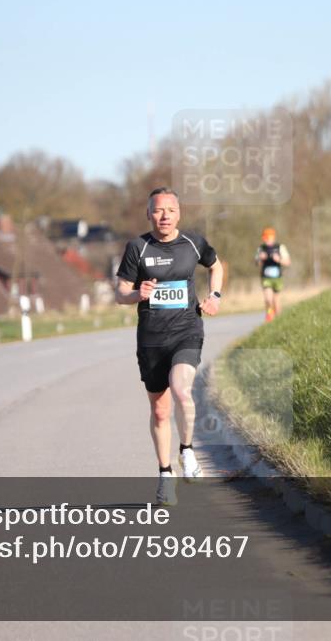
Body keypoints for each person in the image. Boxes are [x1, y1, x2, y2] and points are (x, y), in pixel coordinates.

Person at [115, 187, 224, 505]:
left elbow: (216, 266)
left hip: (186, 332)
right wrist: (138, 294)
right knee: (160, 411)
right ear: (149, 214)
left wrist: (214, 296)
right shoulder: (138, 247)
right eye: (158, 210)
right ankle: (165, 473)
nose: (165, 216)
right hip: (151, 340)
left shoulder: (193, 243)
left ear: (179, 213)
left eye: (171, 210)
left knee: (181, 389)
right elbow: (120, 292)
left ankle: (187, 452)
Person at [255, 228, 290, 322]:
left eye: (268, 238)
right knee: (268, 299)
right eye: (265, 238)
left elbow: (288, 262)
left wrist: (279, 260)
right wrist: (261, 259)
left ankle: (278, 321)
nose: (266, 240)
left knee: (276, 302)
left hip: (277, 278)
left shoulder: (280, 247)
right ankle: (269, 315)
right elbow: (257, 263)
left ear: (273, 238)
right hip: (266, 278)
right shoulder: (261, 248)